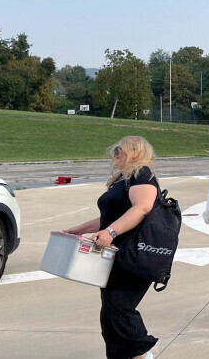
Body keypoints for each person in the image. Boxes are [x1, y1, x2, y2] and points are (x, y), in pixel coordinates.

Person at [65, 136, 160, 359]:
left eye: (120, 150)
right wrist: (81, 229)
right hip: (116, 255)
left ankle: (142, 355)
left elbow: (142, 208)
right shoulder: (123, 179)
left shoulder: (142, 175)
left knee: (119, 309)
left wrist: (111, 232)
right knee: (110, 312)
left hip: (134, 254)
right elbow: (111, 216)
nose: (116, 154)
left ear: (135, 152)